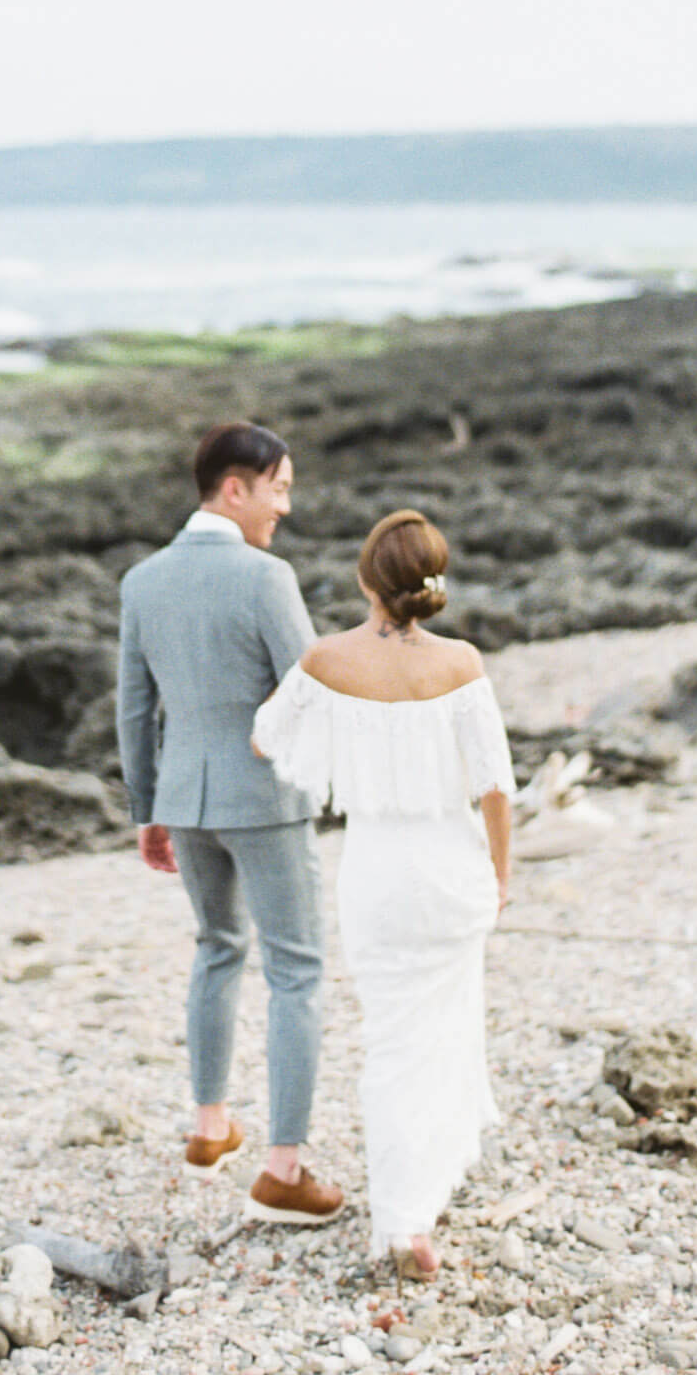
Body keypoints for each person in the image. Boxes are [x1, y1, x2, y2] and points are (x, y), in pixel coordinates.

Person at [252, 508, 513, 1280]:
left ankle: (404, 1220)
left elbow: (267, 736)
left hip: (376, 878)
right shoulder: (462, 664)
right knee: (447, 1027)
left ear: (368, 579)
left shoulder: (326, 662)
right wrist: (502, 874)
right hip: (452, 871)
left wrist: (346, 741)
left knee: (394, 1042)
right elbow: (495, 786)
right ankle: (423, 1192)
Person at [116, 421, 344, 1225]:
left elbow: (134, 708)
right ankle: (284, 1168)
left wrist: (149, 809)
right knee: (295, 973)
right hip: (264, 800)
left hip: (183, 799)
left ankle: (210, 1125)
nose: (285, 505)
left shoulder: (141, 580)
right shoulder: (264, 578)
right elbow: (309, 688)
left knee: (217, 948)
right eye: (278, 486)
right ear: (234, 487)